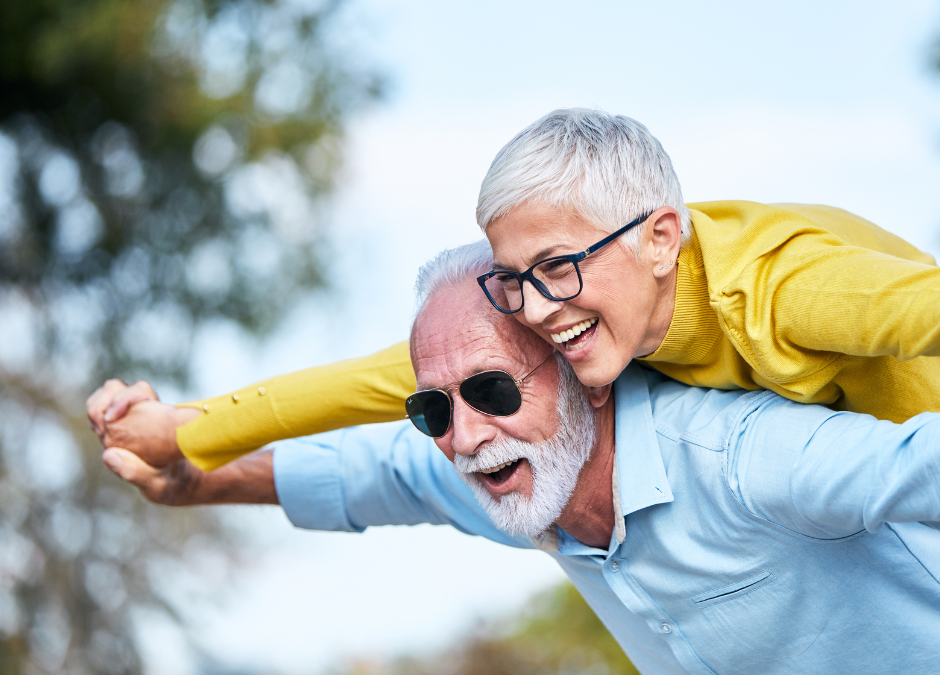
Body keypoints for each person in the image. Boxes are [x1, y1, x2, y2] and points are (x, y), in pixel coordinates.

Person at [101, 242, 940, 675]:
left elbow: (919, 464)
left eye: (493, 390)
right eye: (433, 406)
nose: (464, 435)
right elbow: (377, 473)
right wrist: (193, 478)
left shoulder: (738, 456)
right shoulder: (510, 473)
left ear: (586, 374)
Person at [88, 108, 940, 472]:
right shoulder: (569, 313)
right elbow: (377, 381)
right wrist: (183, 430)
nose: (535, 308)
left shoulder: (783, 288)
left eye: (559, 267)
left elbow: (917, 309)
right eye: (512, 279)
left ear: (660, 238)